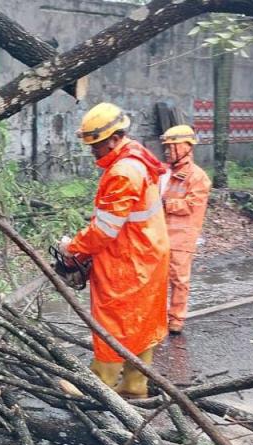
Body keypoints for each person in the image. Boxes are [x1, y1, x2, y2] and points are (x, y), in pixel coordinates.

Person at [58, 102, 170, 399]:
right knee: (142, 321)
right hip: (148, 254)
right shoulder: (140, 160)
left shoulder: (122, 172)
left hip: (126, 260)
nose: (93, 150)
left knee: (113, 321)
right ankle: (135, 385)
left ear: (115, 137)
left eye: (97, 144)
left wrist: (73, 248)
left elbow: (104, 230)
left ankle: (98, 384)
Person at [159, 125, 211, 334]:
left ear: (185, 147)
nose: (168, 151)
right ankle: (159, 317)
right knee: (159, 279)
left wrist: (165, 204)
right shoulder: (165, 173)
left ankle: (176, 319)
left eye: (172, 147)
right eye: (167, 148)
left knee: (179, 280)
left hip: (182, 237)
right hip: (161, 235)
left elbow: (192, 204)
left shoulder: (198, 177)